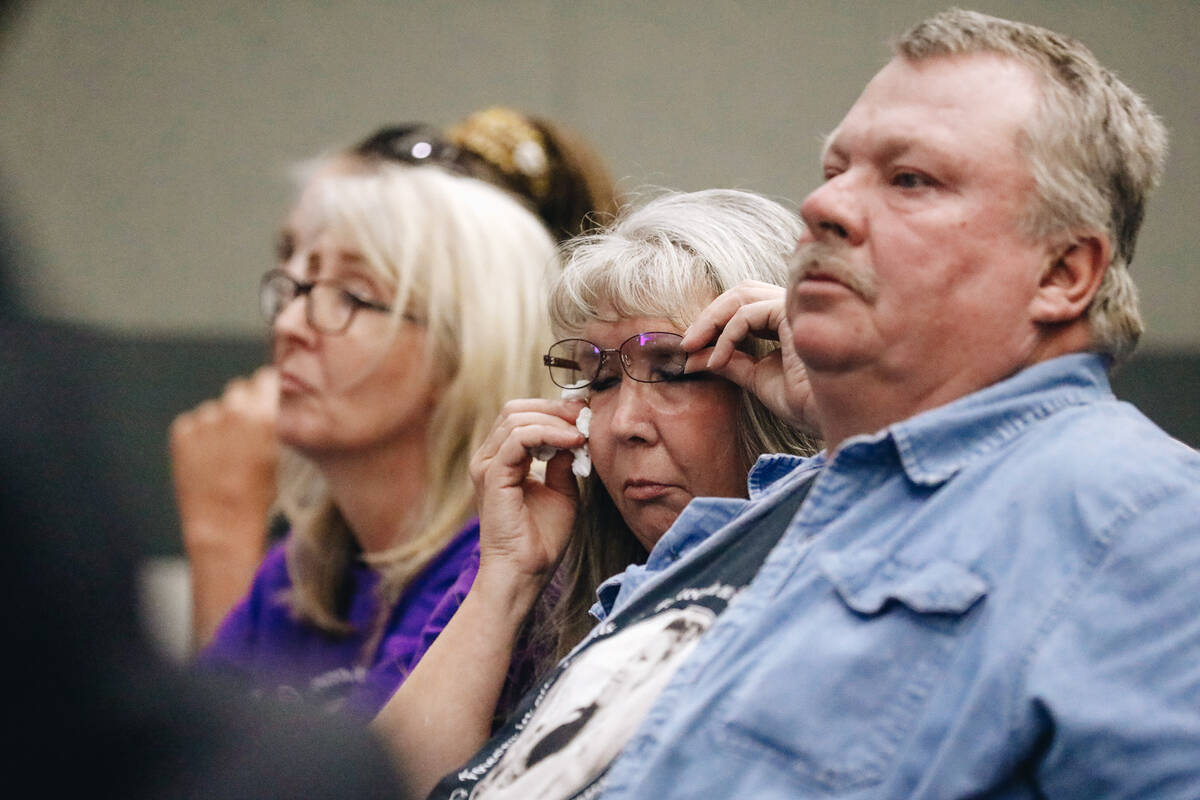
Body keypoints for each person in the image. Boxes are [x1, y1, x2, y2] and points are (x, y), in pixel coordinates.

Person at [430, 9, 1200, 799]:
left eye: (911, 179)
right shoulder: (785, 505)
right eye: (836, 170)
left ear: (1063, 272)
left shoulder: (1146, 514)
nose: (825, 208)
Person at [370, 188, 818, 796]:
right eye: (599, 379)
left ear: (779, 381)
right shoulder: (547, 580)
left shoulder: (845, 563)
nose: (621, 424)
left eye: (674, 370)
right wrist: (506, 579)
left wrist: (835, 410)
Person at [184, 109, 617, 719]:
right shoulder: (301, 572)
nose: (287, 326)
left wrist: (221, 532)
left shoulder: (505, 572)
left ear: (464, 351)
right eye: (299, 287)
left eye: (352, 297)